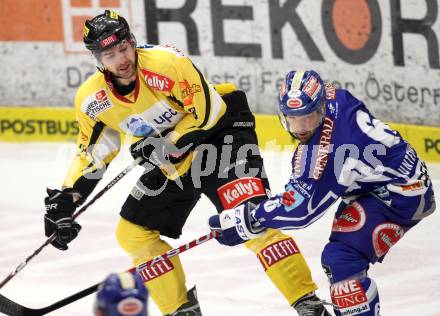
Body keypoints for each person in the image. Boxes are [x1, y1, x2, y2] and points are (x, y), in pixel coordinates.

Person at [43, 11, 330, 316]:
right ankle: (182, 310)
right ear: (98, 59)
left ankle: (308, 303)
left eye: (124, 48)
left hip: (222, 137)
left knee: (250, 218)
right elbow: (94, 152)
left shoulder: (166, 63)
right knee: (132, 233)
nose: (121, 60)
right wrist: (68, 198)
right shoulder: (92, 99)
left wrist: (164, 144)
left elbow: (207, 112)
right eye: (110, 55)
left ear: (133, 42)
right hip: (174, 157)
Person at [209, 70, 437, 315]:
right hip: (389, 179)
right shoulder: (335, 97)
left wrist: (251, 218)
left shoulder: (327, 154)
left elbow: (300, 212)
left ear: (320, 108)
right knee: (339, 260)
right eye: (294, 119)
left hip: (400, 195)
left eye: (307, 118)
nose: (301, 128)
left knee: (342, 261)